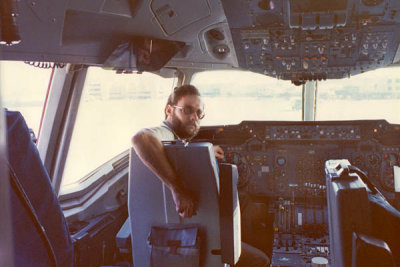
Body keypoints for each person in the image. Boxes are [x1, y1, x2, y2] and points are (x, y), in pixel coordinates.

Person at [131, 85, 270, 266]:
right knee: (262, 260)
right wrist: (177, 190)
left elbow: (181, 153)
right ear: (169, 110)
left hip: (191, 222)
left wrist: (207, 151)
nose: (194, 118)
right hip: (191, 232)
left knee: (242, 199)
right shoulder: (164, 132)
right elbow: (140, 138)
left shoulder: (174, 136)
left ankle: (240, 244)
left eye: (199, 113)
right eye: (187, 110)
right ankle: (235, 252)